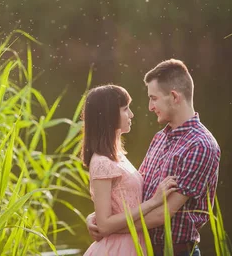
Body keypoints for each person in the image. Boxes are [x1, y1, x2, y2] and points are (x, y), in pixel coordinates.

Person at [86, 59, 221, 256]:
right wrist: (97, 217)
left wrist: (106, 228)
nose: (149, 107)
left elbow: (161, 215)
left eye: (154, 98)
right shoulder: (160, 137)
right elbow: (135, 194)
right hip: (140, 247)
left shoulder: (199, 145)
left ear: (174, 97)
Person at [81, 84, 178, 255]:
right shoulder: (102, 162)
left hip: (133, 244)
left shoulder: (117, 156)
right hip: (118, 248)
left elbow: (116, 205)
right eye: (125, 109)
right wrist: (154, 202)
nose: (131, 114)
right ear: (109, 116)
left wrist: (92, 217)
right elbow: (105, 224)